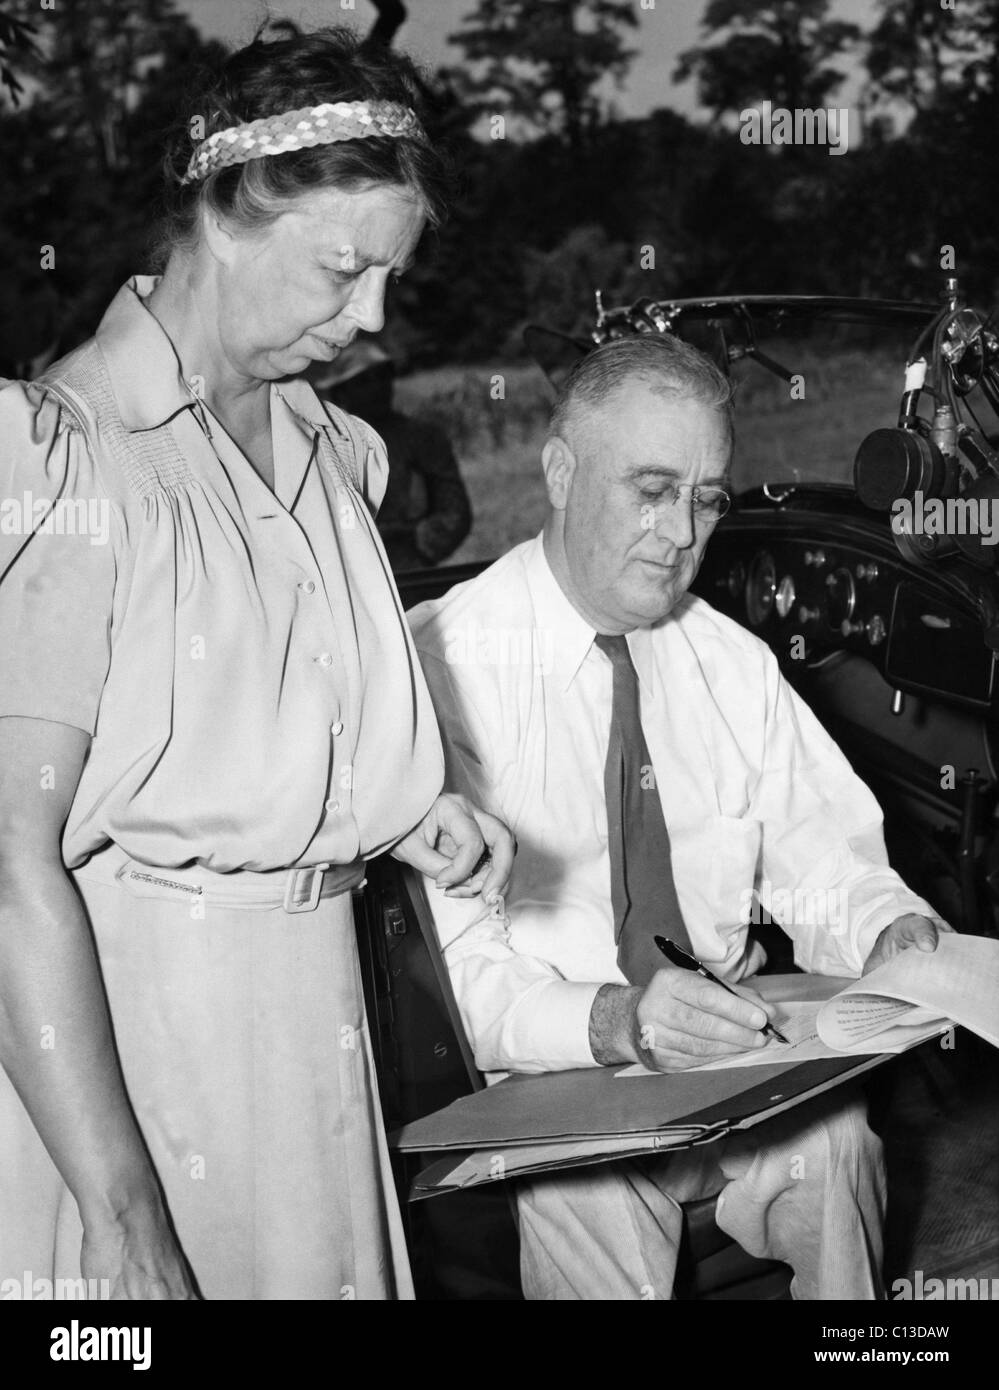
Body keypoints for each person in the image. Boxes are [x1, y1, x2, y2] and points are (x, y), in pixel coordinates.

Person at [0, 27, 513, 1301]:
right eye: (344, 269)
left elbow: (230, 724)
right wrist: (121, 1216)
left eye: (391, 276)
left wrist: (398, 812)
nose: (373, 317)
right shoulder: (79, 458)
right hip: (144, 1064)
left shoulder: (332, 455)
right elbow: (9, 858)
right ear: (231, 216)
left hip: (317, 1036)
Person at [407, 334, 951, 1301]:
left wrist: (888, 927)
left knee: (832, 1143)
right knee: (593, 1186)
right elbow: (463, 988)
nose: (679, 533)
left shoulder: (729, 665)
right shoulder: (441, 668)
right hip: (556, 1068)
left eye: (705, 500)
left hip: (731, 1060)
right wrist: (620, 1023)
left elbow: (820, 862)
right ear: (561, 471)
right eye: (650, 489)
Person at [314, 340, 472, 570]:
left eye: (382, 376)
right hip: (348, 571)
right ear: (341, 392)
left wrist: (420, 543)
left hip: (411, 567)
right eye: (363, 382)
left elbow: (455, 511)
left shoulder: (423, 437)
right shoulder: (323, 447)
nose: (377, 387)